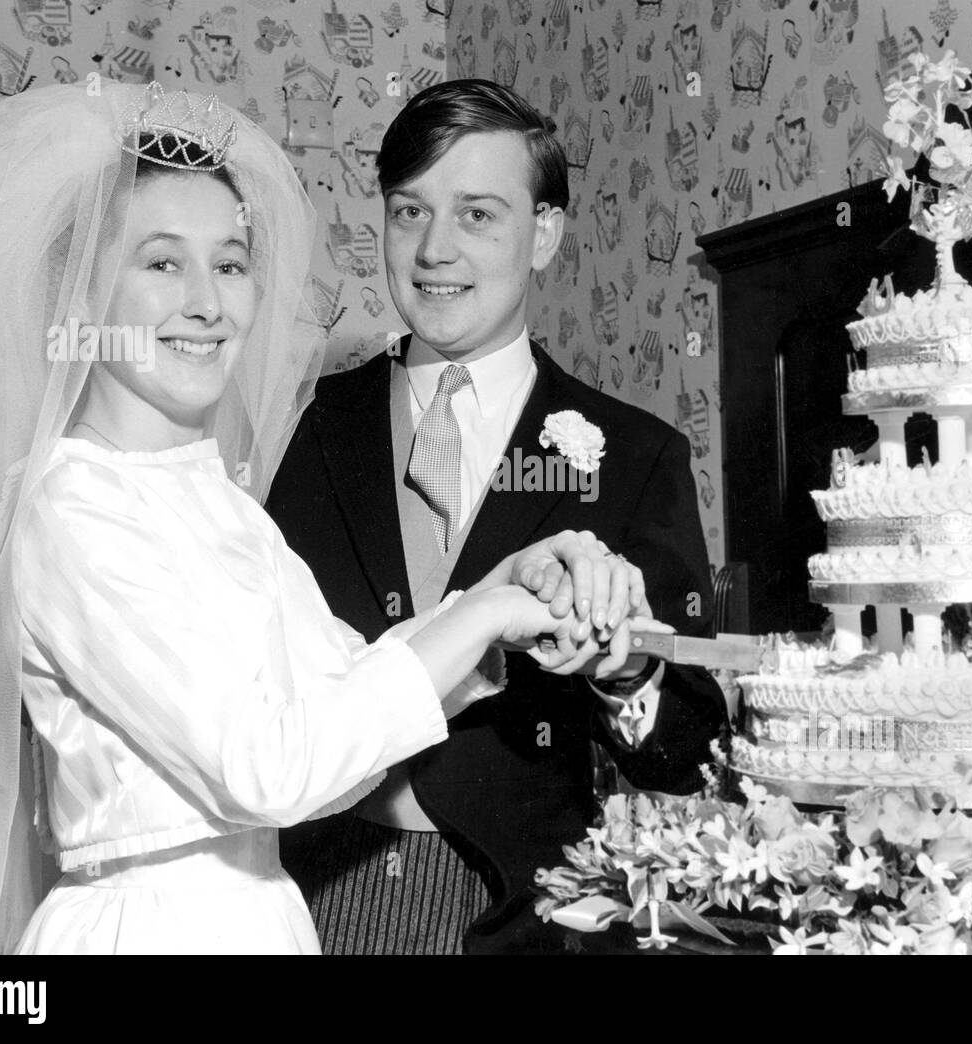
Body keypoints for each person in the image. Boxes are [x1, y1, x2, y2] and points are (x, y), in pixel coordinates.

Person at [0, 82, 652, 954]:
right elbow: (274, 768)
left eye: (229, 262)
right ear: (83, 296)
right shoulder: (74, 510)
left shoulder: (218, 500)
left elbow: (343, 711)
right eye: (161, 262)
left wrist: (503, 588)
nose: (207, 302)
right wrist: (485, 612)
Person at [267, 80, 728, 955]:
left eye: (477, 214)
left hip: (523, 914)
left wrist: (625, 673)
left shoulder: (636, 457)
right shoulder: (304, 427)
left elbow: (686, 747)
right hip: (305, 894)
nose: (435, 249)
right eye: (410, 213)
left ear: (542, 233)